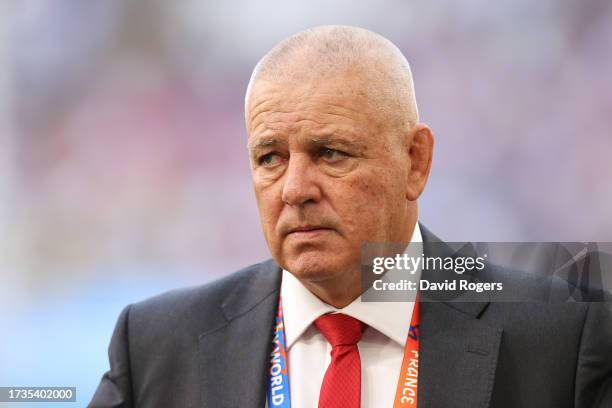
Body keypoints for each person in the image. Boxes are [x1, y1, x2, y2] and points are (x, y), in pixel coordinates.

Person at [89, 25, 612, 408]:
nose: (294, 189)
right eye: (270, 157)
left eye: (331, 153)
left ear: (415, 162)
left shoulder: (564, 332)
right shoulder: (157, 346)